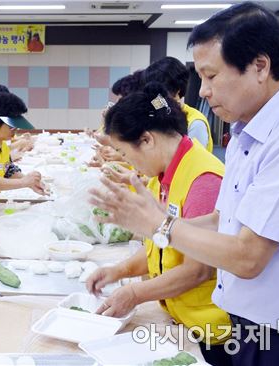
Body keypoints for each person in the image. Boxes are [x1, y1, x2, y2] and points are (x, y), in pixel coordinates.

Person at [89, 3, 279, 365]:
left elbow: (248, 257)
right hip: (246, 323)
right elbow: (224, 220)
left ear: (259, 66)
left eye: (211, 76)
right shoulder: (244, 133)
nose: (202, 92)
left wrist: (162, 225)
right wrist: (157, 222)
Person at [87, 82, 231, 365]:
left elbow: (196, 271)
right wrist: (119, 271)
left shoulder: (203, 180)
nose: (128, 163)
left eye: (126, 153)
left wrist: (134, 293)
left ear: (147, 140)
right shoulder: (161, 175)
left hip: (211, 332)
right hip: (181, 319)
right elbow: (161, 244)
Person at [145, 56, 214, 151]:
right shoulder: (160, 115)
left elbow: (192, 162)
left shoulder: (195, 123)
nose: (156, 100)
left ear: (177, 91)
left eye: (160, 94)